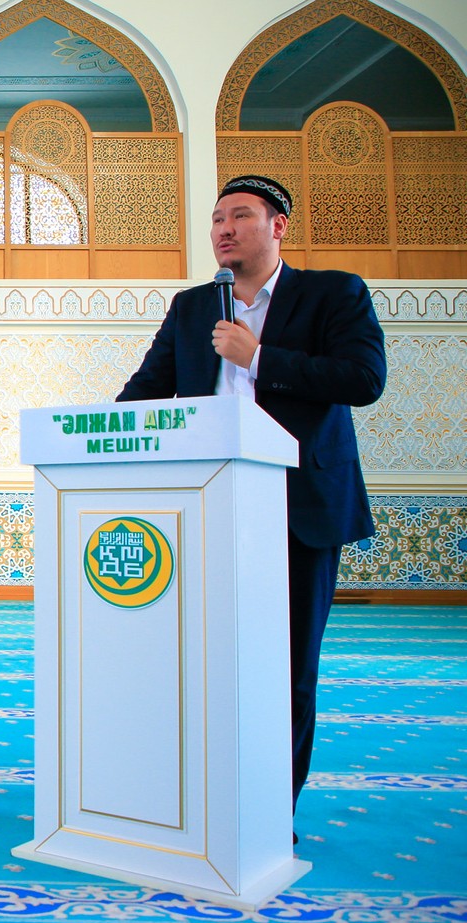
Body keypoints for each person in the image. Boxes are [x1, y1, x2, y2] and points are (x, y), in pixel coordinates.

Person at [117, 174, 386, 820]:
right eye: (217, 219)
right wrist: (99, 435)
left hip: (299, 510)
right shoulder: (193, 307)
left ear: (278, 226)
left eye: (240, 216)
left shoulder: (333, 293)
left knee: (287, 667)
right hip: (204, 511)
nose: (224, 229)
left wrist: (260, 357)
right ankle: (199, 797)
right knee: (203, 660)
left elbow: (364, 378)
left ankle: (269, 812)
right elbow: (143, 392)